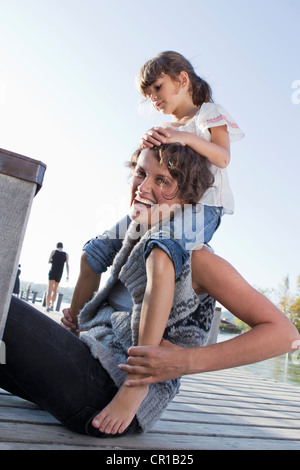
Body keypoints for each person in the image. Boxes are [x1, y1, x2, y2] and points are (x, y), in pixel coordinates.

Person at [1, 144, 299, 440]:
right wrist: (78, 324)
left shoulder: (197, 258)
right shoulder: (134, 236)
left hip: (110, 391)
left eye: (162, 180)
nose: (142, 187)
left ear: (188, 200)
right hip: (86, 360)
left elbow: (285, 335)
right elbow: (91, 261)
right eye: (141, 173)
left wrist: (186, 361)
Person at [138, 50, 244, 250]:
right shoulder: (168, 127)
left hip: (204, 207)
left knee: (164, 245)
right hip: (172, 205)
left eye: (157, 87)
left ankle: (197, 256)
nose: (153, 98)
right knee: (141, 245)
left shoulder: (209, 113)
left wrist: (186, 138)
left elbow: (223, 158)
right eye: (148, 95)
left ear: (182, 79)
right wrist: (147, 141)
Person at [46, 242, 69, 312]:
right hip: (59, 273)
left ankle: (47, 307)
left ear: (57, 246)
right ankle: (52, 305)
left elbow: (49, 261)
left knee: (49, 290)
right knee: (55, 290)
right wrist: (68, 275)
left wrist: (53, 261)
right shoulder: (66, 254)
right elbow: (67, 265)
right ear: (62, 247)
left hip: (53, 271)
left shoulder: (54, 251)